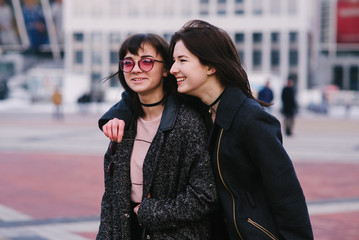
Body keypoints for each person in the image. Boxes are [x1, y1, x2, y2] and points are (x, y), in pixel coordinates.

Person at [99, 20, 313, 240]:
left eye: (182, 60)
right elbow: (142, 96)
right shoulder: (202, 108)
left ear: (211, 66)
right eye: (173, 61)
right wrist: (116, 115)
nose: (174, 69)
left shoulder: (249, 118)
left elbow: (287, 196)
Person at [96, 33, 217, 240]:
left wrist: (151, 212)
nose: (135, 69)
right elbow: (111, 200)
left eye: (146, 62)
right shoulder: (122, 124)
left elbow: (205, 196)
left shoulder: (187, 123)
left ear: (165, 69)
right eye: (128, 63)